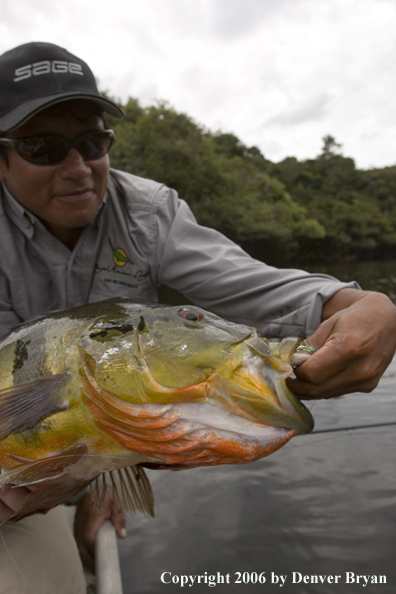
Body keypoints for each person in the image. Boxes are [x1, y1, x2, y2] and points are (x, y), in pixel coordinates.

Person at [0, 41, 395, 593]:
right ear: (2, 156)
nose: (78, 168)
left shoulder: (147, 213)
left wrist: (362, 304)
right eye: (44, 148)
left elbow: (257, 286)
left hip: (94, 440)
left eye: (93, 142)